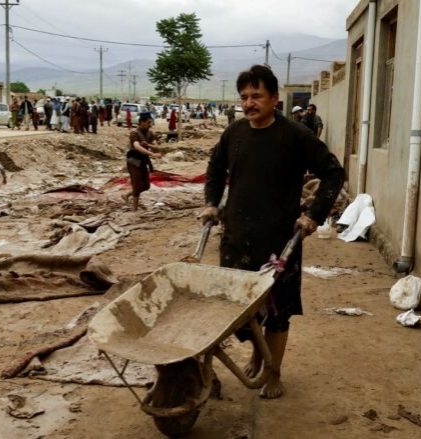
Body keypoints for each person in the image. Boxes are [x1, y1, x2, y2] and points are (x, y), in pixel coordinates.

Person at [199, 65, 344, 399]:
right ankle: (255, 351)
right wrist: (211, 202)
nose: (249, 103)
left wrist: (313, 215)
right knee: (238, 310)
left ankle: (274, 373)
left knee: (278, 312)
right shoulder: (234, 133)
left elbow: (333, 172)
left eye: (257, 96)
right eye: (245, 97)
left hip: (280, 242)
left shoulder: (294, 135)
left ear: (275, 99)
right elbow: (215, 167)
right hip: (236, 238)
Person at [122, 112, 163, 211]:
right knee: (137, 185)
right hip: (134, 161)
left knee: (146, 186)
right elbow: (137, 146)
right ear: (142, 122)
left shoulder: (150, 133)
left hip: (143, 161)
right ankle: (135, 209)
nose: (150, 124)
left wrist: (148, 145)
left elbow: (157, 147)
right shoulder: (134, 133)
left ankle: (126, 195)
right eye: (148, 122)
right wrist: (152, 154)